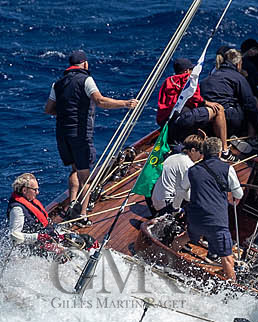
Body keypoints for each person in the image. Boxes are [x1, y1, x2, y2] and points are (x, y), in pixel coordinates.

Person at [45, 49, 137, 215]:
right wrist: (125, 103)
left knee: (74, 170)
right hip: (80, 134)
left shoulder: (57, 84)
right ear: (85, 64)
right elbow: (100, 100)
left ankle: (72, 205)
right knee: (85, 177)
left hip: (62, 134)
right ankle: (82, 215)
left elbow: (49, 109)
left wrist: (68, 111)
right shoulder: (86, 80)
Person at [182, 137, 242, 282]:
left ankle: (168, 256)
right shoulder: (228, 169)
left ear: (204, 152)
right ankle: (233, 289)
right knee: (227, 259)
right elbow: (239, 194)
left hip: (195, 219)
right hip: (217, 222)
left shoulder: (192, 170)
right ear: (220, 152)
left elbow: (183, 190)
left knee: (184, 238)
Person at [156, 58, 229, 149]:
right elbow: (194, 97)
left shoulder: (168, 81)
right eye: (191, 70)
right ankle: (225, 149)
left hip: (169, 123)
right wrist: (206, 103)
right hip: (183, 118)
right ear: (186, 71)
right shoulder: (187, 79)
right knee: (219, 109)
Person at [198, 48, 258, 138]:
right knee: (253, 101)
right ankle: (252, 137)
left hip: (208, 120)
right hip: (230, 120)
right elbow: (249, 103)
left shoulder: (207, 78)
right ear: (238, 64)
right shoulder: (238, 78)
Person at [150, 133, 203, 215]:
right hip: (167, 206)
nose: (201, 156)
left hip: (156, 201)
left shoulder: (173, 157)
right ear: (192, 150)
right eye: (201, 152)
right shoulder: (188, 165)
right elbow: (188, 196)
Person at [4, 173, 51, 262]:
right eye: (35, 190)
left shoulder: (30, 201)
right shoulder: (17, 209)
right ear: (24, 190)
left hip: (45, 241)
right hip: (33, 250)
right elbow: (15, 236)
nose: (37, 192)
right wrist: (38, 237)